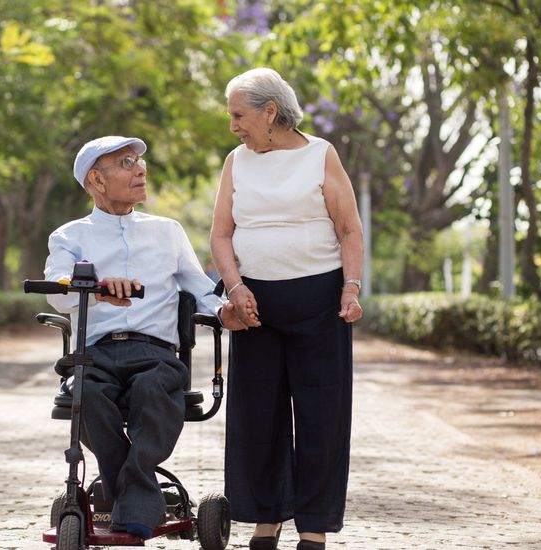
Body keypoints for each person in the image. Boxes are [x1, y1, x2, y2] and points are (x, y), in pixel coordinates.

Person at [44, 135, 257, 540]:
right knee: (84, 392)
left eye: (139, 162)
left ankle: (125, 493)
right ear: (97, 180)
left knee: (155, 389)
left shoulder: (167, 232)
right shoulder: (69, 236)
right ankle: (139, 499)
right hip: (97, 352)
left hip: (155, 353)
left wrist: (227, 310)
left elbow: (200, 288)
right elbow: (56, 288)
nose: (140, 169)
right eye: (126, 163)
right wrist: (96, 285)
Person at [210, 68, 365, 550]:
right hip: (254, 306)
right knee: (257, 415)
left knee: (322, 415)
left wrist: (351, 286)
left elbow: (348, 229)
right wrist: (234, 286)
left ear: (269, 111)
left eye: (239, 114)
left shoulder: (321, 155)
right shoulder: (237, 160)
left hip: (320, 304)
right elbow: (220, 234)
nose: (233, 125)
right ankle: (266, 518)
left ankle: (314, 524)